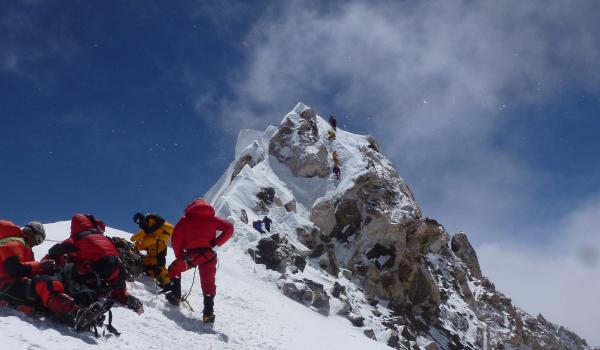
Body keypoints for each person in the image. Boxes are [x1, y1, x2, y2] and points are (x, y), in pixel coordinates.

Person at [0, 220, 109, 331]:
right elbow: (14, 268)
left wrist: (47, 266)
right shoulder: (15, 241)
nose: (37, 243)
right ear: (30, 232)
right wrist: (40, 266)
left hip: (11, 287)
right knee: (44, 283)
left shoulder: (25, 249)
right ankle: (74, 314)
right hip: (5, 287)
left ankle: (75, 308)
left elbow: (27, 271)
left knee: (49, 281)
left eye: (41, 241)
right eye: (39, 239)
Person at [46, 214, 143, 314]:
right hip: (118, 268)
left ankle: (86, 301)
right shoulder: (104, 238)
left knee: (72, 272)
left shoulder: (77, 239)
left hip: (100, 268)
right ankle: (128, 299)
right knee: (119, 292)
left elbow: (54, 251)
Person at [161, 198, 233, 323]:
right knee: (208, 282)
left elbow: (176, 239)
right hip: (209, 255)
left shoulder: (185, 221)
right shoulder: (213, 220)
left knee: (174, 269)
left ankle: (175, 296)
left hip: (191, 256)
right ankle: (208, 314)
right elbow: (229, 228)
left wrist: (180, 256)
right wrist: (216, 244)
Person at [131, 213, 173, 288]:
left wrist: (138, 245)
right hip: (156, 248)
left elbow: (161, 221)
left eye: (138, 220)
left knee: (159, 266)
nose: (138, 222)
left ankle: (168, 284)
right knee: (153, 267)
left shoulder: (151, 220)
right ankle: (164, 282)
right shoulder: (148, 228)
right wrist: (135, 239)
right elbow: (144, 234)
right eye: (137, 221)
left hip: (159, 246)